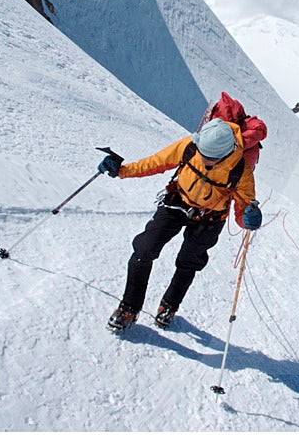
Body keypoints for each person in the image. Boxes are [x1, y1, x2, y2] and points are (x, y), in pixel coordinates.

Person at [99, 118, 262, 332]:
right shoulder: (189, 146)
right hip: (177, 202)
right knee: (144, 249)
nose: (202, 159)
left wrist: (249, 218)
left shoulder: (241, 170)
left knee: (188, 263)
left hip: (211, 217)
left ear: (224, 154)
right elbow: (156, 162)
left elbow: (243, 209)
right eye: (201, 152)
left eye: (209, 158)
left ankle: (169, 306)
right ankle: (129, 307)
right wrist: (121, 170)